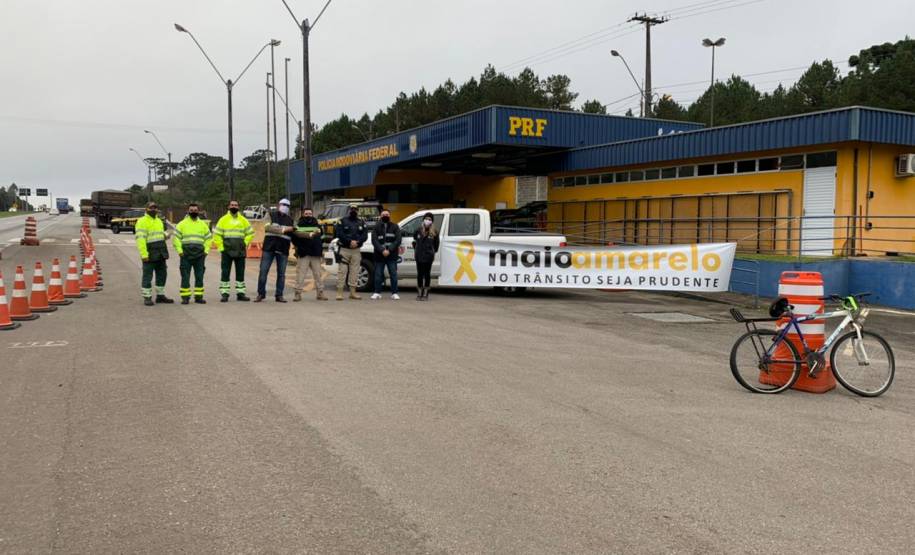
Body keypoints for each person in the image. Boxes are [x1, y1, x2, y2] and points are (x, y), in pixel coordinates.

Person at [213, 200, 254, 302]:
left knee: (240, 273)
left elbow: (250, 233)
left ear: (238, 207)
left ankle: (241, 294)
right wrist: (222, 248)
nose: (234, 206)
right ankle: (225, 294)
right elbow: (217, 235)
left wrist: (245, 242)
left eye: (236, 205)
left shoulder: (243, 220)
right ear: (228, 206)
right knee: (225, 272)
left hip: (240, 250)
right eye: (232, 205)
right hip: (227, 251)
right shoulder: (223, 220)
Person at [134, 201, 174, 306]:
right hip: (150, 253)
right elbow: (140, 239)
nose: (154, 209)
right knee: (148, 276)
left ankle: (160, 296)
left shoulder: (159, 221)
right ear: (146, 209)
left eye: (155, 208)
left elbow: (160, 233)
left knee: (162, 275)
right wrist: (144, 254)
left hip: (161, 252)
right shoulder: (142, 221)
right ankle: (147, 297)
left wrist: (166, 235)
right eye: (151, 207)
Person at [255, 198, 295, 303]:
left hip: (283, 249)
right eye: (283, 204)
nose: (285, 207)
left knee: (281, 274)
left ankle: (279, 295)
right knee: (263, 272)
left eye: (287, 206)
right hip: (269, 248)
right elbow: (268, 228)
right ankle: (261, 294)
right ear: (278, 205)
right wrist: (284, 230)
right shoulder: (270, 215)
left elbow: (293, 234)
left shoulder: (290, 220)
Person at [173, 202, 212, 305]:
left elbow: (208, 239)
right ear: (188, 211)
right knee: (185, 277)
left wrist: (206, 251)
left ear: (198, 211)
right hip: (185, 255)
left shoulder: (203, 225)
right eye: (191, 211)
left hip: (200, 255)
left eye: (195, 210)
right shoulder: (182, 224)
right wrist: (180, 251)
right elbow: (176, 238)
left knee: (199, 276)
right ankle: (185, 297)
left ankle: (199, 297)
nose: (193, 212)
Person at [291, 206, 328, 302]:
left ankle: (320, 293)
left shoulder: (317, 224)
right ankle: (298, 294)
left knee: (318, 274)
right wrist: (300, 248)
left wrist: (320, 249)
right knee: (300, 274)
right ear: (303, 214)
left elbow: (322, 238)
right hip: (304, 254)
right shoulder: (299, 225)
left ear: (312, 214)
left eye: (310, 214)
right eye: (306, 214)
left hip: (315, 253)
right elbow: (294, 239)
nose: (308, 215)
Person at [333, 203, 368, 301]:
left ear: (357, 211)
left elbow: (364, 235)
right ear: (349, 210)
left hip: (356, 251)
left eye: (355, 209)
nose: (353, 211)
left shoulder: (361, 222)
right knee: (342, 271)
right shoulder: (342, 221)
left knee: (355, 272)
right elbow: (339, 234)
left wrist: (357, 242)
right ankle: (339, 293)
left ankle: (353, 293)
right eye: (352, 209)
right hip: (344, 250)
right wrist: (350, 241)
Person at [371, 209, 402, 300]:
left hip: (391, 255)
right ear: (381, 216)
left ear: (390, 215)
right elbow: (374, 240)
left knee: (393, 274)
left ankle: (394, 293)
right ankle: (377, 292)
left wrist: (389, 250)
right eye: (384, 214)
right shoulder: (376, 227)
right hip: (379, 255)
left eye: (387, 214)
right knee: (378, 275)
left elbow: (398, 240)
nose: (385, 215)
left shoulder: (395, 226)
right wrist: (382, 250)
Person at [413, 212, 440, 301]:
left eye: (429, 219)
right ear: (423, 220)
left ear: (432, 221)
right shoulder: (418, 230)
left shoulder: (435, 231)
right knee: (419, 274)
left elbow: (436, 245)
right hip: (419, 255)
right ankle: (420, 292)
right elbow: (415, 239)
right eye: (426, 219)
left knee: (427, 274)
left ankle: (426, 294)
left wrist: (431, 252)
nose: (427, 220)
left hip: (428, 256)